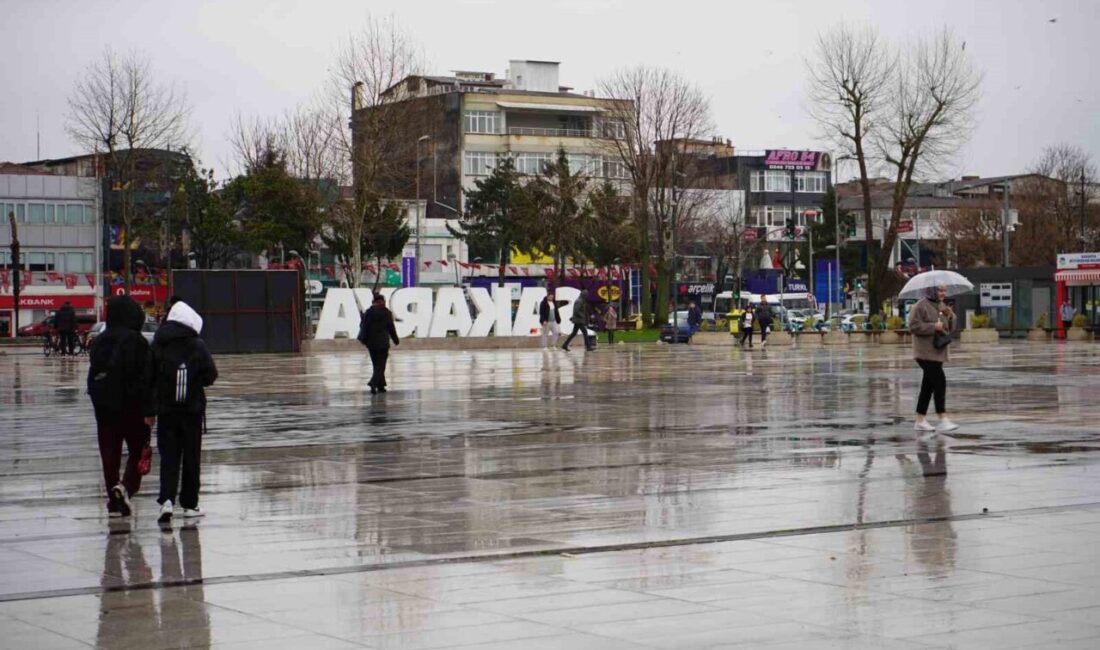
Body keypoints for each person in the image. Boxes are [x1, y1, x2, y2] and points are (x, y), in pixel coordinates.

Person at [149, 300, 218, 523]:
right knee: (191, 457)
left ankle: (167, 500)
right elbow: (211, 375)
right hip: (192, 411)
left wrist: (150, 408)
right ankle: (189, 504)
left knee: (168, 457)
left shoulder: (159, 343)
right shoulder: (197, 345)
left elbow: (149, 376)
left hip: (166, 411)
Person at [87, 295, 153, 518]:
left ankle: (113, 498)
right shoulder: (137, 341)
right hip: (133, 407)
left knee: (109, 455)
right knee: (138, 452)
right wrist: (149, 409)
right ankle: (125, 488)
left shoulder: (99, 341)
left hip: (104, 408)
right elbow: (145, 377)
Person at [908, 285, 958, 433]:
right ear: (932, 290)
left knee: (928, 386)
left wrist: (950, 315)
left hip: (937, 351)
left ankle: (920, 420)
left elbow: (950, 327)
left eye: (944, 290)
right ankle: (942, 417)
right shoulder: (920, 306)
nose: (943, 293)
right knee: (939, 381)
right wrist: (933, 327)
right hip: (924, 352)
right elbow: (913, 326)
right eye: (940, 290)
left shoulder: (941, 305)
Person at [358, 293, 400, 394]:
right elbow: (391, 328)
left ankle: (381, 386)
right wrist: (395, 339)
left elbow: (363, 326)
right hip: (383, 343)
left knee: (376, 364)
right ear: (381, 301)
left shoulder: (368, 312)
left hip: (371, 343)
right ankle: (373, 382)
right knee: (381, 365)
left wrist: (364, 340)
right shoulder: (386, 313)